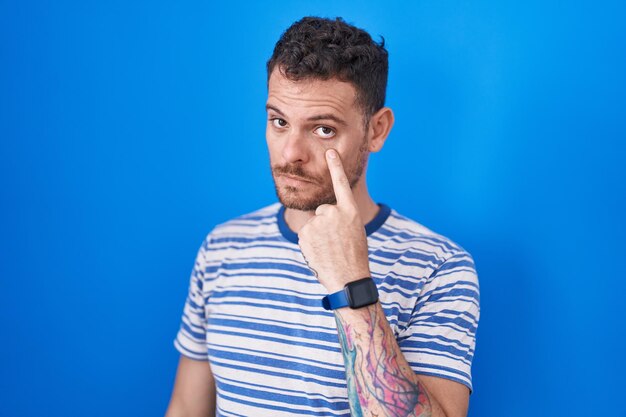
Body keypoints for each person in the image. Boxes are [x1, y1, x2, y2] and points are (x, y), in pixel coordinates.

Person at [165, 16, 479, 417]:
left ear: (376, 130)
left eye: (323, 130)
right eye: (279, 121)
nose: (291, 152)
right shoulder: (222, 247)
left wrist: (351, 282)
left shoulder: (439, 268)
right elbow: (186, 407)